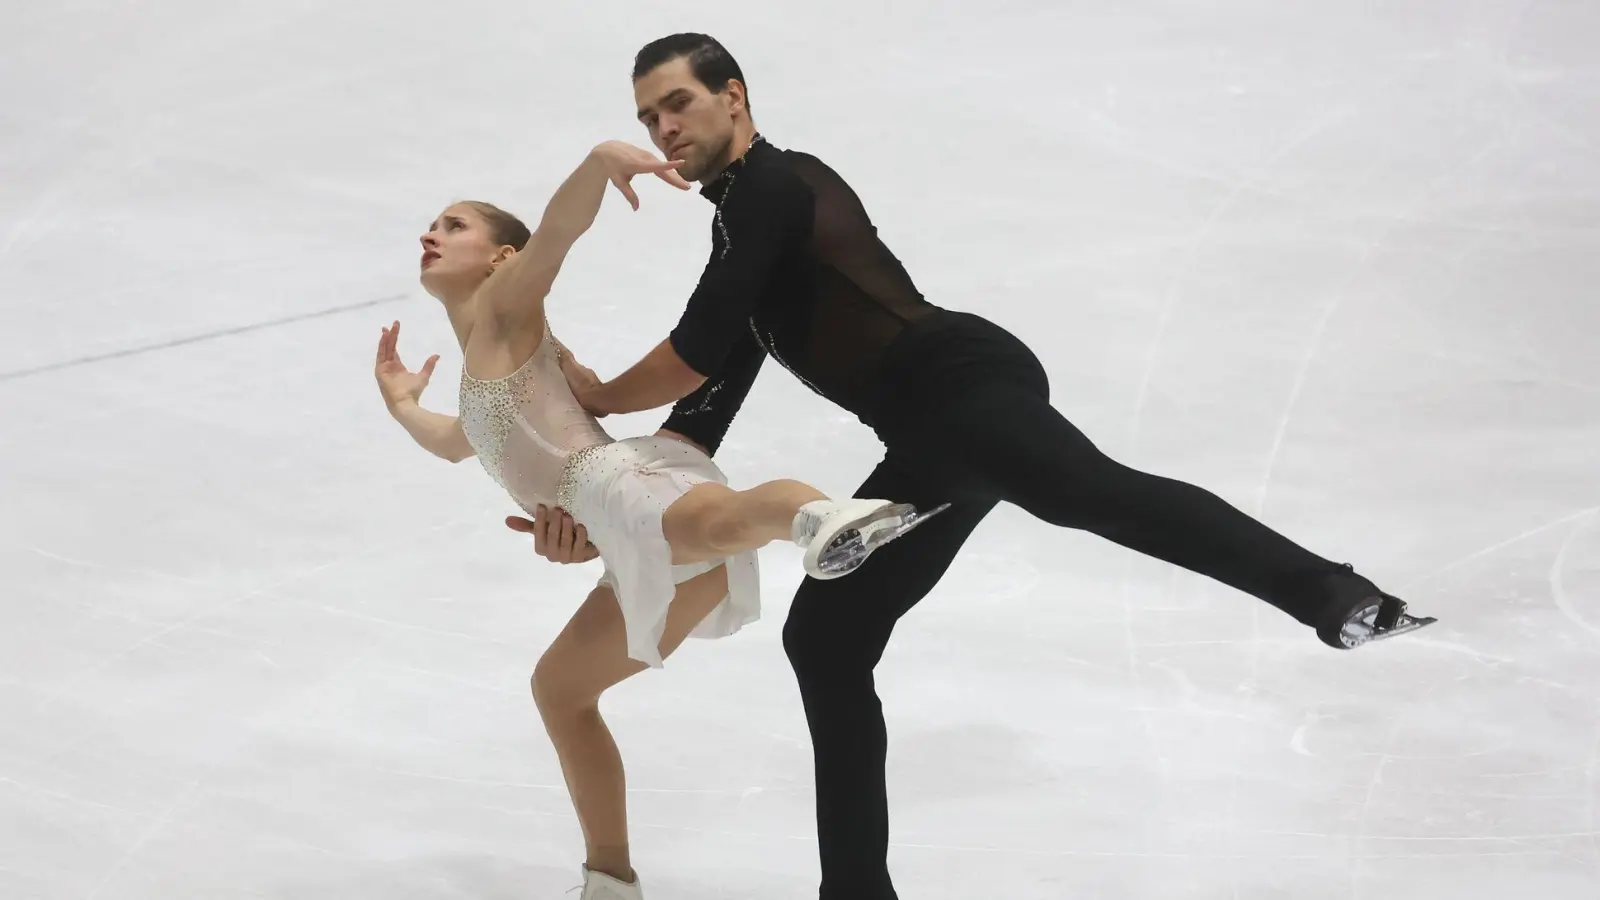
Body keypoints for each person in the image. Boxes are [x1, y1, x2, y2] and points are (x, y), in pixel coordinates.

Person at [519, 33, 1439, 900]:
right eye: (647, 118)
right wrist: (607, 494)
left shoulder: (775, 185)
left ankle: (1336, 597)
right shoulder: (744, 226)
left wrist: (591, 403)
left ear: (734, 96)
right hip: (928, 433)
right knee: (828, 640)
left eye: (676, 104)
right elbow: (712, 390)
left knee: (1088, 494)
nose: (663, 130)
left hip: (958, 381)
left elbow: (696, 348)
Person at [373, 141, 945, 900]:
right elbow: (456, 444)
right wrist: (405, 403)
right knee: (561, 692)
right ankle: (609, 883)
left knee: (721, 524)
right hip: (615, 531)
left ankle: (824, 515)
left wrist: (599, 162)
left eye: (453, 225)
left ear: (500, 258)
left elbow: (557, 232)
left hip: (616, 484)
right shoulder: (487, 359)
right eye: (432, 224)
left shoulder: (507, 310)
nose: (430, 234)